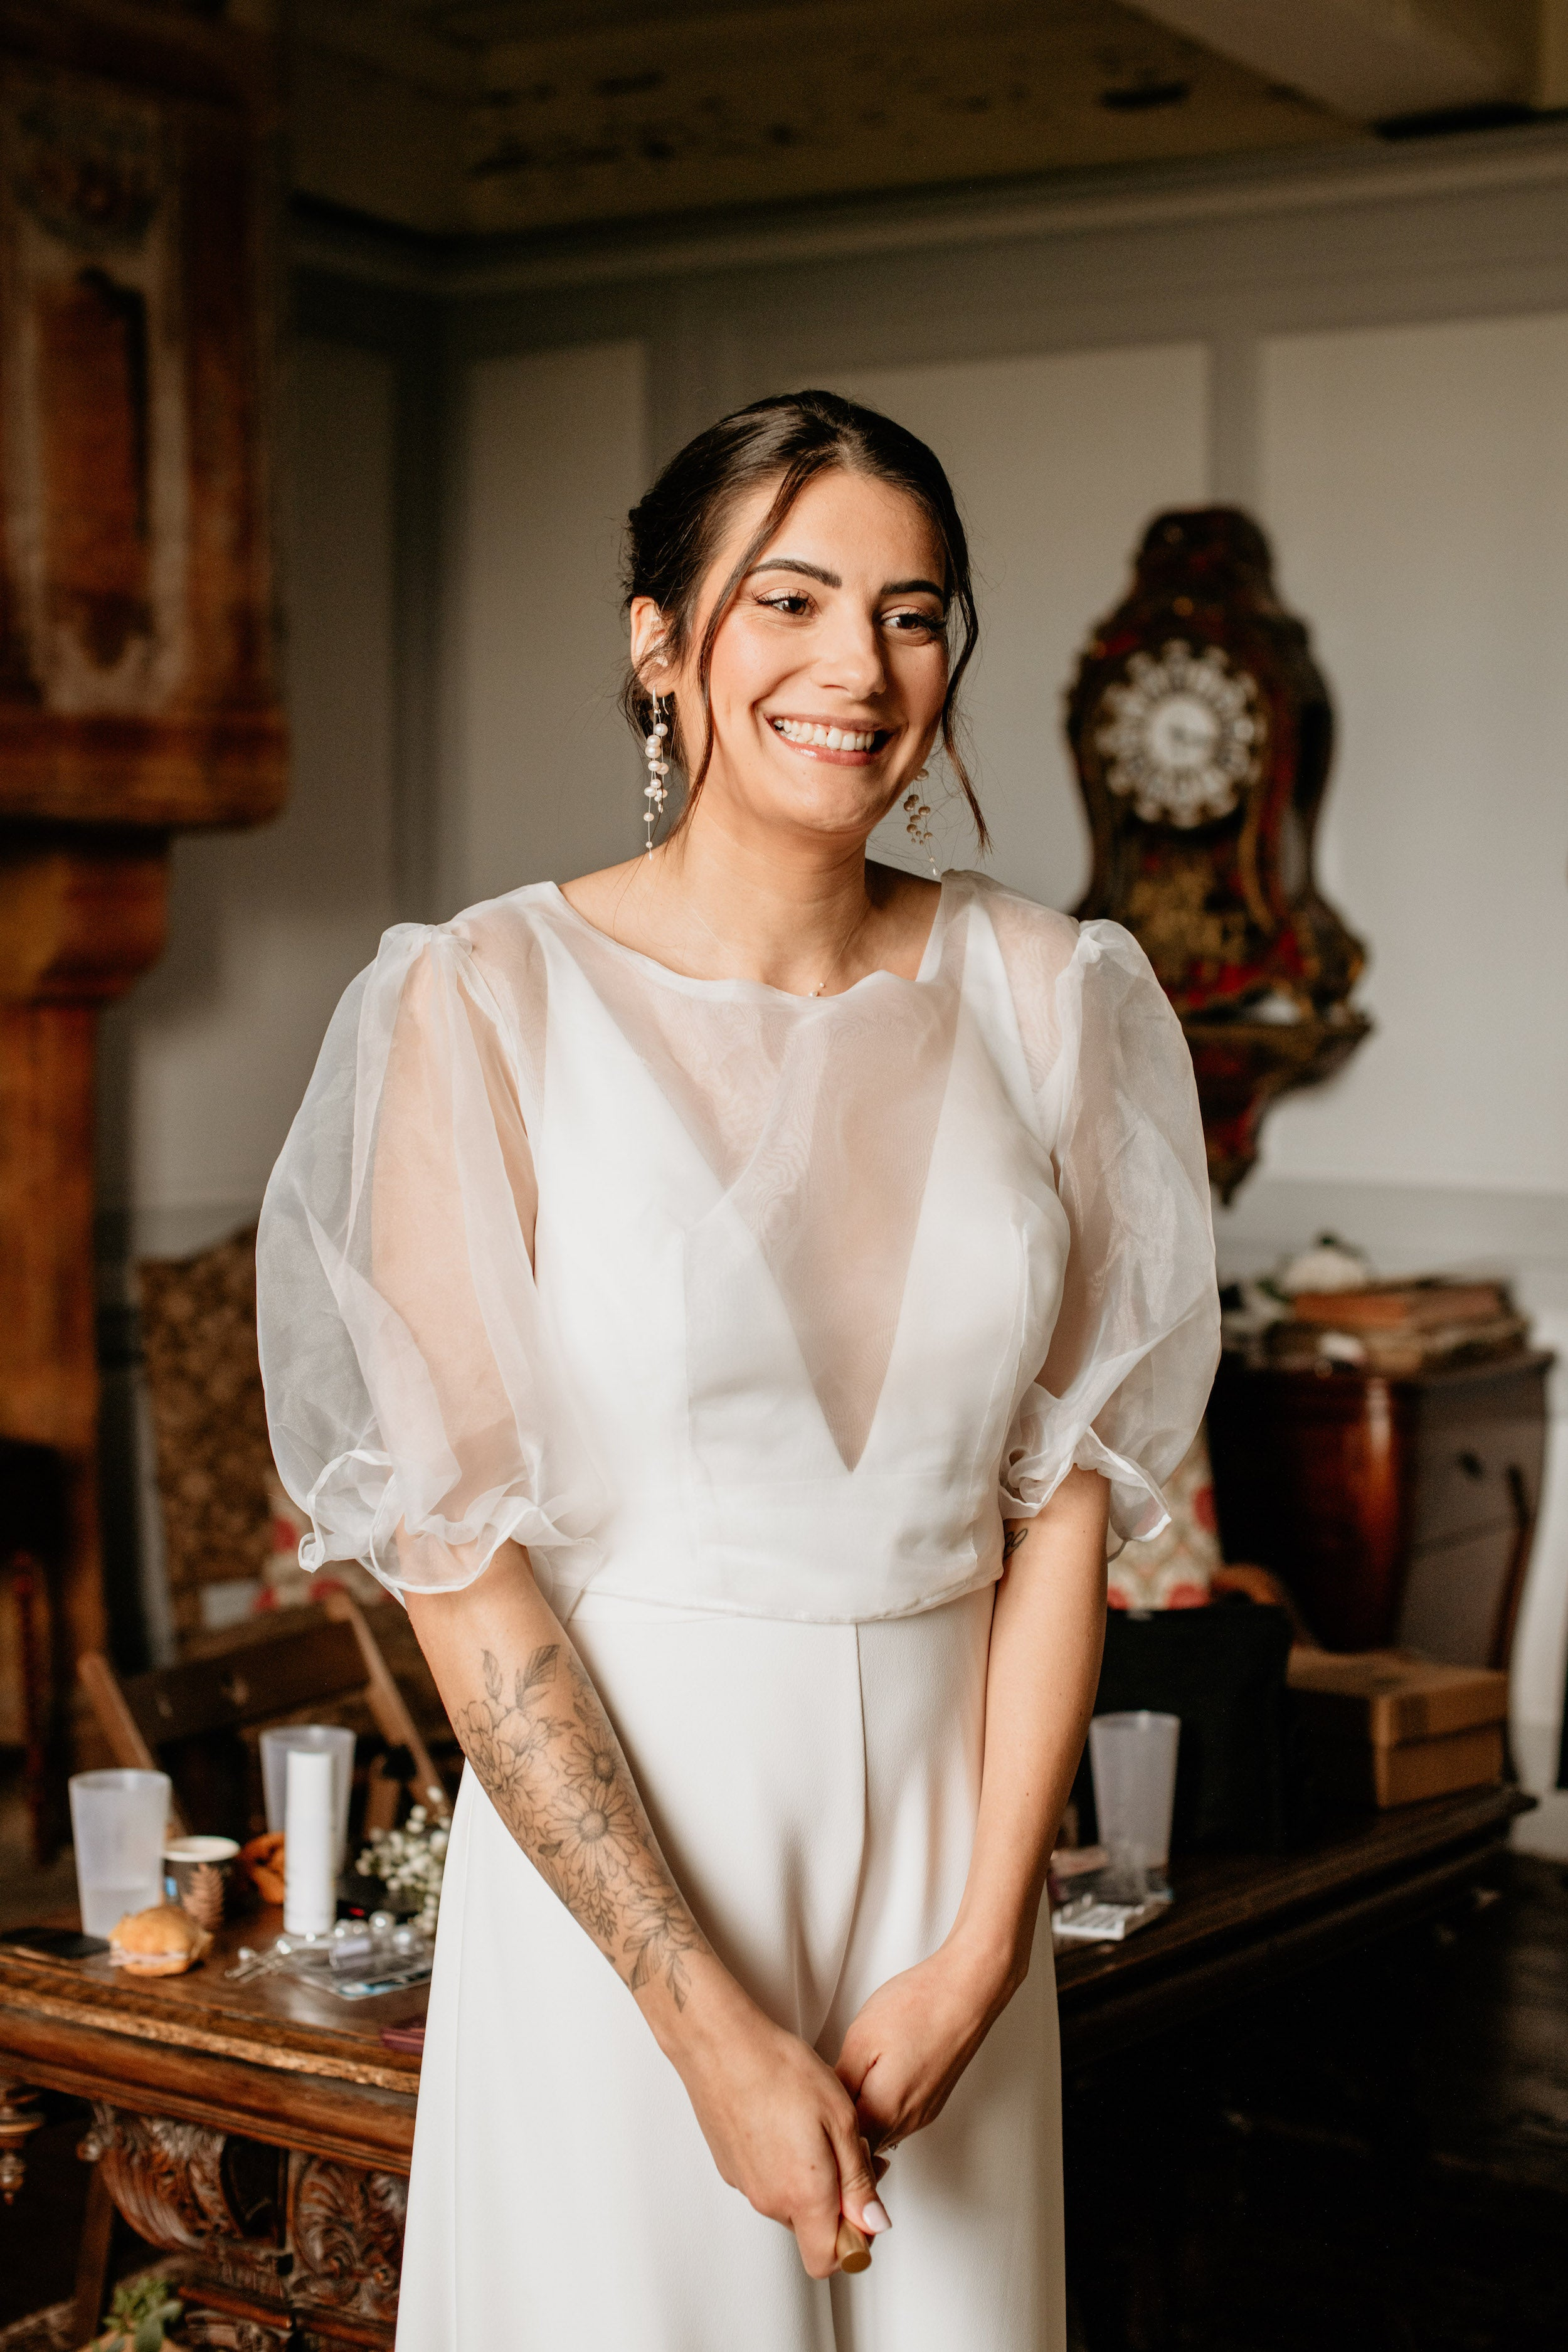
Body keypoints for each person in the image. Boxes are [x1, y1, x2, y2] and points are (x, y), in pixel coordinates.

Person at [258, 388, 1219, 2351]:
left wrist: (976, 1949)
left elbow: (1069, 1508)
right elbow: (457, 1557)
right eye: (785, 599)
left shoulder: (1057, 1002)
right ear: (656, 640)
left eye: (913, 611)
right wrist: (693, 2015)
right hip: (634, 1889)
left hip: (952, 1881)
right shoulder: (482, 1001)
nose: (854, 668)